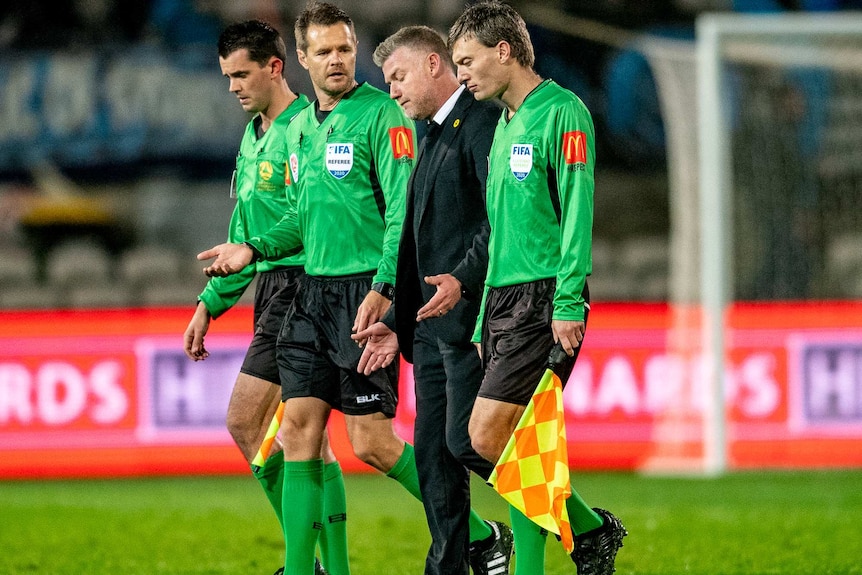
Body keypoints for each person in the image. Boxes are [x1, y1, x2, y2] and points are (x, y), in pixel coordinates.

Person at [196, 4, 504, 574]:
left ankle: (483, 535)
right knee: (296, 431)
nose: (338, 60)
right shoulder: (302, 128)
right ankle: (306, 569)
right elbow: (305, 218)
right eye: (325, 51)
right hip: (311, 294)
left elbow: (400, 214)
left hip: (362, 293)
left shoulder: (382, 115)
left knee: (369, 444)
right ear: (304, 59)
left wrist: (386, 286)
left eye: (345, 48)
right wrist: (254, 248)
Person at [447, 3, 627, 575]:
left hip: (545, 297)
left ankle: (565, 545)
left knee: (491, 433)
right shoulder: (502, 126)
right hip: (501, 303)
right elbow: (501, 231)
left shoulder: (563, 113)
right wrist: (480, 320)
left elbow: (577, 213)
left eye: (468, 61)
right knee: (518, 442)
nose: (462, 76)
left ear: (504, 51)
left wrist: (569, 301)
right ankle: (590, 529)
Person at [353, 25, 512, 575]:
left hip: (469, 321)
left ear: (432, 65)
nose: (391, 89)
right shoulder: (431, 134)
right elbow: (420, 241)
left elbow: (500, 221)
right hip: (429, 327)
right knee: (437, 459)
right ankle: (447, 566)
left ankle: (578, 520)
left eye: (398, 76)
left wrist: (464, 280)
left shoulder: (482, 122)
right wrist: (399, 323)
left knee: (467, 444)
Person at [182, 19, 334, 575]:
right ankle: (318, 565)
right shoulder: (254, 133)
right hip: (271, 286)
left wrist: (250, 248)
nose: (232, 87)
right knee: (310, 444)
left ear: (276, 67)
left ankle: (307, 565)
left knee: (249, 423)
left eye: (241, 74)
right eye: (227, 77)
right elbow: (241, 228)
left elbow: (309, 217)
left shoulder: (305, 130)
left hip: (302, 283)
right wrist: (209, 302)